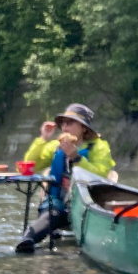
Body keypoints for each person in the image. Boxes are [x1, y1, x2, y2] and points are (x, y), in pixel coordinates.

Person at [16, 103, 116, 253]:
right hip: (58, 204)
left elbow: (101, 176)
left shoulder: (99, 147)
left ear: (84, 128)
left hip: (85, 204)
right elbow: (28, 168)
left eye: (70, 123)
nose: (64, 127)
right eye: (63, 123)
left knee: (59, 213)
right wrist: (43, 138)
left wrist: (76, 158)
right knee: (52, 213)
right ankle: (27, 240)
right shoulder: (57, 145)